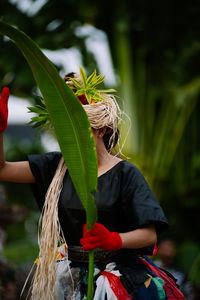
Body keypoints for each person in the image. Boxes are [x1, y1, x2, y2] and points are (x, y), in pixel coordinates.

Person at [0, 71, 186, 300]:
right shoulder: (54, 166)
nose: (68, 137)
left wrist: (114, 240)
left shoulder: (126, 174)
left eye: (77, 129)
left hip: (118, 279)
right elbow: (2, 169)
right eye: (64, 131)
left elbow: (149, 236)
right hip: (69, 276)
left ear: (101, 129)